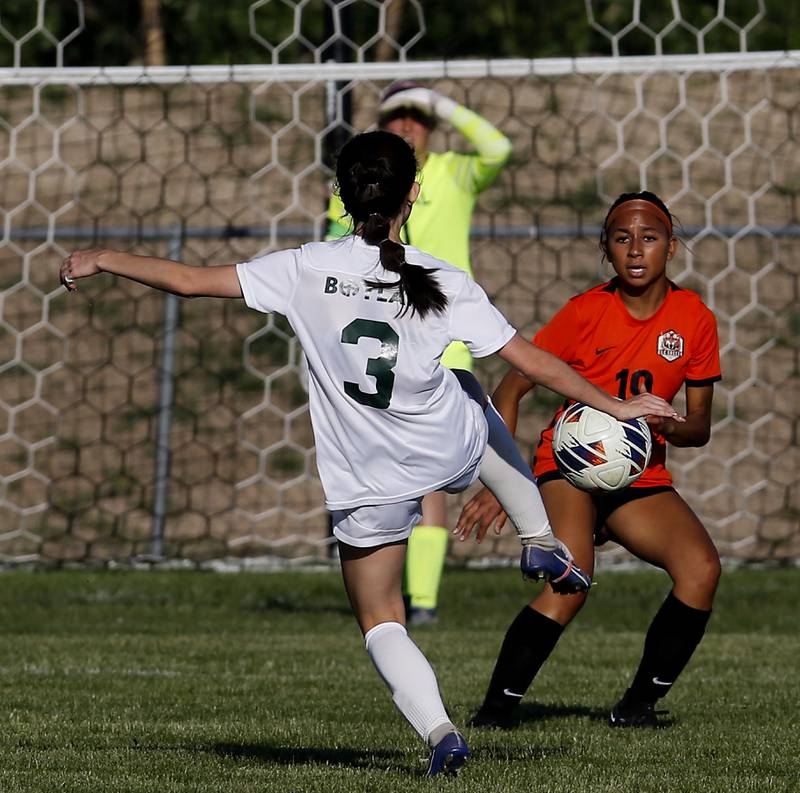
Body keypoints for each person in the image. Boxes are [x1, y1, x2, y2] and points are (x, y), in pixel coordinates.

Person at [60, 138, 679, 775]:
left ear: (340, 197)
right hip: (449, 447)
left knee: (382, 618)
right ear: (414, 195)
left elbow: (190, 283)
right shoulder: (442, 279)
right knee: (469, 389)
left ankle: (441, 734)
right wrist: (616, 404)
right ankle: (539, 535)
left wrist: (102, 257)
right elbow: (528, 361)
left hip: (366, 479)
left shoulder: (303, 268)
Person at [458, 191, 722, 730]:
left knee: (701, 570)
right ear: (606, 249)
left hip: (638, 475)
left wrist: (665, 421)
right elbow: (509, 391)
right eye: (621, 238)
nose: (636, 249)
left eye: (649, 237)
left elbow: (699, 428)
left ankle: (636, 706)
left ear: (671, 247)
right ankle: (494, 714)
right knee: (569, 581)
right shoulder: (584, 313)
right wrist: (503, 479)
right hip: (569, 467)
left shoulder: (694, 319)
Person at [327, 81, 513, 626]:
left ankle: (423, 601)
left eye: (419, 116)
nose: (409, 123)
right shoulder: (363, 191)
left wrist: (444, 103)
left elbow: (499, 148)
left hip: (443, 346)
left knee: (429, 475)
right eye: (398, 116)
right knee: (385, 469)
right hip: (380, 349)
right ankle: (385, 593)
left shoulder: (454, 172)